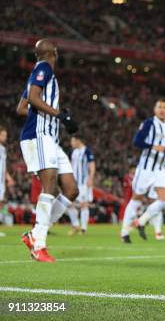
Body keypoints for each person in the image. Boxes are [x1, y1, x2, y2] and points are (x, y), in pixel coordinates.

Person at [19, 39, 79, 262]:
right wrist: (59, 115)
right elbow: (33, 99)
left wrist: (55, 117)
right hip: (39, 136)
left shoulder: (36, 73)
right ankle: (39, 245)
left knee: (71, 190)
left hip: (50, 138)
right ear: (55, 52)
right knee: (50, 187)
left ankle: (35, 234)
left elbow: (21, 108)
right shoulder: (44, 67)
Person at [120, 99, 165, 243]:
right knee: (136, 199)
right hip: (146, 168)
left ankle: (141, 221)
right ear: (155, 110)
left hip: (161, 169)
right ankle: (124, 232)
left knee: (164, 200)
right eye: (159, 107)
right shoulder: (149, 123)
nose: (162, 110)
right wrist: (153, 147)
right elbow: (137, 141)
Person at [66, 135, 96, 235]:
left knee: (84, 205)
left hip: (83, 182)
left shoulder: (87, 151)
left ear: (78, 140)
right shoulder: (72, 152)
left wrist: (91, 178)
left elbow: (92, 165)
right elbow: (69, 165)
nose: (71, 143)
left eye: (73, 141)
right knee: (69, 203)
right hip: (73, 182)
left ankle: (83, 228)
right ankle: (76, 225)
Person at [0, 126, 16, 236]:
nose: (5, 137)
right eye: (3, 135)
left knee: (1, 202)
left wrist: (8, 177)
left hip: (1, 180)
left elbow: (3, 166)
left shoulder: (3, 149)